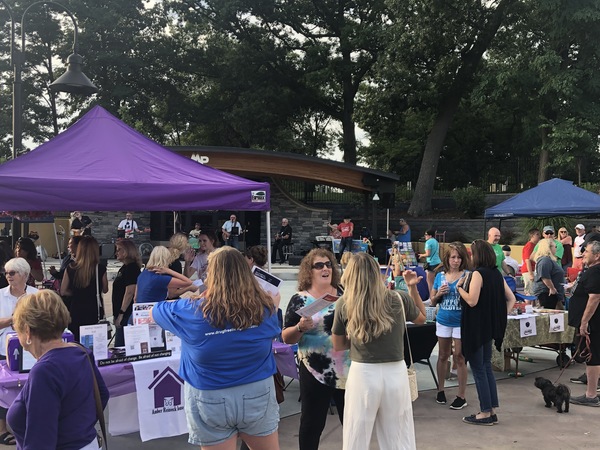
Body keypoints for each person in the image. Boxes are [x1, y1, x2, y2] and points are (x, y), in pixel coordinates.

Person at [151, 247, 280, 449]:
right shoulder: (265, 309)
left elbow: (155, 311)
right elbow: (273, 328)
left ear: (211, 276)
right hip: (257, 391)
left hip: (209, 395)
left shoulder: (190, 311)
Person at [331, 254, 425, 450]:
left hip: (363, 372)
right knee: (398, 436)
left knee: (356, 436)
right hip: (395, 372)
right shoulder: (398, 298)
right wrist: (412, 287)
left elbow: (338, 345)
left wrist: (359, 340)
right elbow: (422, 318)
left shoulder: (344, 303)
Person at [7, 290, 109, 449]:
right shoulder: (81, 352)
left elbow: (40, 439)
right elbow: (102, 395)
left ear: (27, 331)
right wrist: (79, 430)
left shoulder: (45, 371)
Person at [282, 248, 349, 450]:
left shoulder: (344, 293)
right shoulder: (300, 299)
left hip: (348, 367)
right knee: (312, 424)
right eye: (319, 265)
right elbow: (286, 337)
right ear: (308, 271)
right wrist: (300, 327)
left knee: (353, 423)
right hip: (315, 369)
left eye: (328, 264)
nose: (325, 268)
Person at [457, 240, 516, 425]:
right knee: (486, 367)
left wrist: (459, 288)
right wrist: (498, 317)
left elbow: (472, 301)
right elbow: (511, 299)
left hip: (476, 328)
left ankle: (485, 412)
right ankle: (491, 409)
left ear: (477, 255)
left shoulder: (478, 274)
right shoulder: (497, 274)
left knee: (479, 370)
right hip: (488, 329)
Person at [0, 258, 38, 445]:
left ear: (24, 274)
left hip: (31, 350)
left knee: (29, 388)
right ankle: (1, 429)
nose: (8, 276)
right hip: (3, 349)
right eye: (6, 273)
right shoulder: (0, 295)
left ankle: (26, 425)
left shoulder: (35, 294)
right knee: (3, 389)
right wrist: (12, 320)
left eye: (12, 273)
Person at [429, 242, 470, 409]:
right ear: (447, 258)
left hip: (461, 320)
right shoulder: (440, 276)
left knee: (460, 356)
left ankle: (461, 395)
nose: (456, 260)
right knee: (442, 355)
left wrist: (461, 289)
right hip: (444, 318)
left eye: (459, 257)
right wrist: (439, 293)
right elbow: (432, 300)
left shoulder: (467, 275)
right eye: (453, 257)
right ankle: (440, 390)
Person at [568, 240, 600, 406]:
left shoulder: (595, 271)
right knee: (594, 355)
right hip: (592, 321)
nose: (583, 254)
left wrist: (584, 322)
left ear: (597, 255)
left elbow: (594, 298)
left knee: (592, 357)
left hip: (592, 323)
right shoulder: (593, 271)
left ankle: (591, 395)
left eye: (586, 251)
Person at [60, 236, 109, 342]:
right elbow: (105, 289)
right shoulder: (99, 268)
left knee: (76, 341)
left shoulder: (71, 267)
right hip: (94, 310)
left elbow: (63, 290)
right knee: (94, 343)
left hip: (76, 309)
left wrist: (75, 293)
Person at [112, 240, 142, 347]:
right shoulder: (124, 268)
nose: (117, 253)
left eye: (119, 250)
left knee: (121, 345)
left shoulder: (132, 268)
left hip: (126, 312)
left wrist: (121, 313)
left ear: (127, 251)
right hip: (120, 311)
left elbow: (130, 292)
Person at [531, 239, 565, 309]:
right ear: (548, 248)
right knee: (549, 314)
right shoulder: (545, 260)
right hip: (547, 293)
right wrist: (551, 288)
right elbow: (544, 276)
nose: (556, 249)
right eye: (555, 247)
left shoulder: (549, 260)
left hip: (553, 293)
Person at [417, 229, 441, 293]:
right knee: (436, 281)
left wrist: (421, 255)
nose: (425, 236)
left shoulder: (428, 242)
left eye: (426, 235)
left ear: (430, 235)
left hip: (431, 263)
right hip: (437, 261)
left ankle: (431, 296)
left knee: (430, 281)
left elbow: (428, 254)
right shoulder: (436, 241)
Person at [521, 228, 541, 297]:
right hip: (528, 271)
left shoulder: (535, 245)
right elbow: (527, 260)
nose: (539, 236)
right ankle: (529, 306)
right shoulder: (529, 246)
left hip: (532, 270)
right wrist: (531, 273)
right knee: (529, 291)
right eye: (537, 234)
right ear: (532, 236)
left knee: (534, 290)